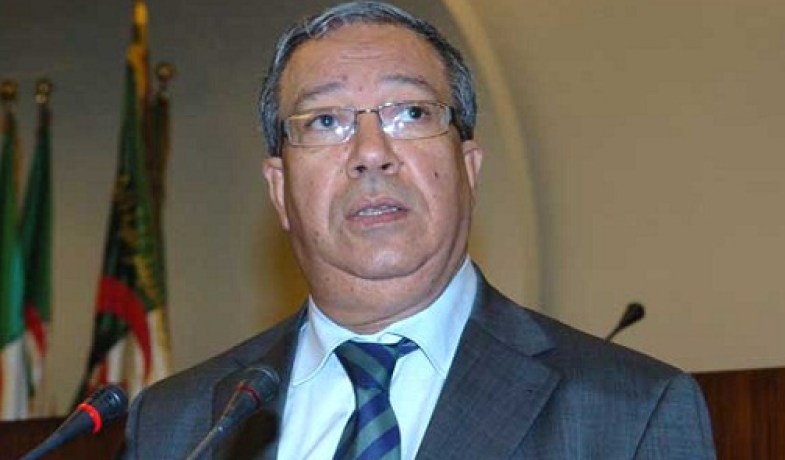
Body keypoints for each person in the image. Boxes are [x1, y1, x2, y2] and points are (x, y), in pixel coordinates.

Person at [120, 2, 716, 459]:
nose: (371, 153)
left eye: (410, 113)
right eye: (325, 121)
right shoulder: (177, 424)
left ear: (468, 169)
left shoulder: (631, 413)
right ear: (279, 189)